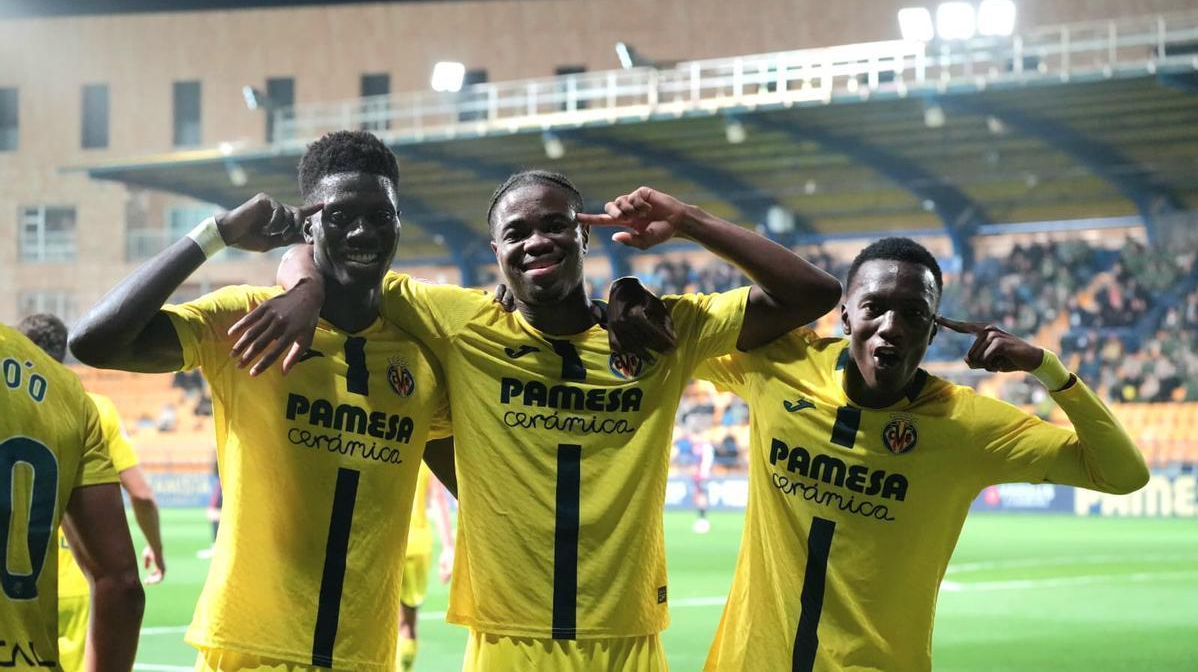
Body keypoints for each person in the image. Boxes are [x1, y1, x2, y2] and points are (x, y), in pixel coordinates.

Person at [236, 175, 842, 670]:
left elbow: (813, 294)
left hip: (626, 639)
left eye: (556, 224)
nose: (536, 241)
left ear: (585, 237)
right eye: (515, 232)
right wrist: (305, 291)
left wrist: (686, 220)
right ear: (495, 253)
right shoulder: (464, 323)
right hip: (508, 642)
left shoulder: (660, 333)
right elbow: (323, 255)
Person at [69, 130, 451, 670]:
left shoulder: (421, 355)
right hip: (246, 649)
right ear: (309, 223)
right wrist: (217, 233)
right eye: (341, 216)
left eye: (380, 214)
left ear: (398, 221)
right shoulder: (245, 321)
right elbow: (94, 342)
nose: (364, 230)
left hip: (364, 656)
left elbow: (469, 475)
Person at [693, 237, 1150, 671]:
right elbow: (675, 338)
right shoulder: (779, 366)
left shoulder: (965, 424)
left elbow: (1122, 474)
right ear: (846, 317)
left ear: (932, 330)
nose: (891, 327)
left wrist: (1047, 369)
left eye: (913, 313)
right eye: (874, 307)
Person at [16, 313, 167, 672]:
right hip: (83, 584)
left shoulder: (11, 404)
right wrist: (155, 550)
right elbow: (142, 494)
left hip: (22, 588)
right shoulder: (92, 407)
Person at [396, 464, 455, 671]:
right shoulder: (424, 443)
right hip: (417, 545)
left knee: (374, 622)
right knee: (407, 624)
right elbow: (437, 498)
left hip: (383, 543)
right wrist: (448, 547)